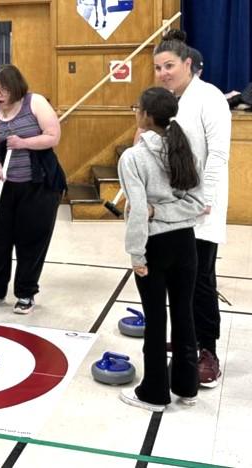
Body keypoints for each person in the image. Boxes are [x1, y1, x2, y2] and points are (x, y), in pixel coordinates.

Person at [152, 30, 231, 388]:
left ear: (188, 64)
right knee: (175, 276)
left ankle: (207, 350)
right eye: (157, 67)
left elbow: (217, 155)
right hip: (172, 206)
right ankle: (186, 339)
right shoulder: (167, 101)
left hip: (203, 206)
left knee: (200, 279)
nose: (163, 72)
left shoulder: (209, 98)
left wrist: (206, 199)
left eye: (169, 65)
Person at [118, 87, 205, 412]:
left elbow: (139, 211)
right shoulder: (184, 148)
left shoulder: (134, 157)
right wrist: (169, 210)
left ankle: (154, 393)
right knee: (184, 314)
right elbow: (196, 205)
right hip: (186, 245)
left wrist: (137, 255)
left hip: (155, 246)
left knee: (156, 320)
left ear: (145, 116)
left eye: (136, 108)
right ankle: (187, 386)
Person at [0, 64, 67, 315]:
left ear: (15, 88)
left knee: (31, 239)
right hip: (1, 184)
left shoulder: (34, 103)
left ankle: (25, 292)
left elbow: (53, 135)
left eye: (3, 90)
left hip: (37, 186)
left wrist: (23, 142)